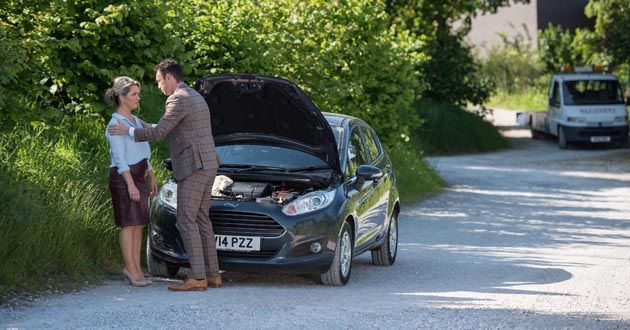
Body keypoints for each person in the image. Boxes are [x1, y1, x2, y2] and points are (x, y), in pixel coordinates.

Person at [108, 59, 221, 292]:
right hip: (208, 164)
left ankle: (198, 277)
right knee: (201, 219)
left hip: (194, 165)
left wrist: (128, 129)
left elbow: (159, 133)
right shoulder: (194, 96)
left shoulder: (177, 98)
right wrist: (138, 126)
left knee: (186, 219)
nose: (159, 86)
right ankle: (212, 274)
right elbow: (169, 126)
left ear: (170, 78)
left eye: (160, 81)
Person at [105, 76, 158, 287]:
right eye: (134, 94)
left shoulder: (135, 122)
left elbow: (144, 151)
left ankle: (136, 270)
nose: (139, 98)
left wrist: (151, 176)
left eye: (138, 94)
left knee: (138, 225)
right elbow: (119, 158)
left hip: (139, 176)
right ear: (121, 97)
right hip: (124, 178)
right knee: (128, 225)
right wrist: (130, 184)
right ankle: (130, 270)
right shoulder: (115, 124)